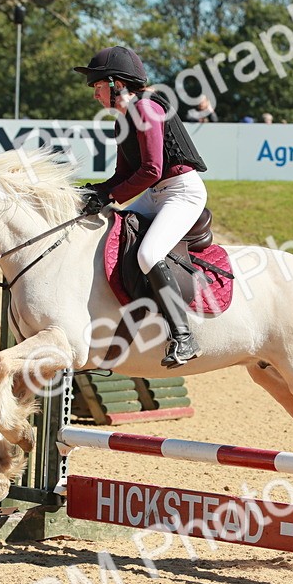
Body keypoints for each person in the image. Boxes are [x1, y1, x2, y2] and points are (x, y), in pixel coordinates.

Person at [76, 46, 209, 367]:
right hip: (157, 192)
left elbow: (151, 169)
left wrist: (110, 196)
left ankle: (184, 337)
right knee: (111, 228)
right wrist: (93, 192)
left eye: (97, 86)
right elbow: (123, 175)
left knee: (148, 253)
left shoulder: (147, 108)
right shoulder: (122, 120)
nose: (95, 95)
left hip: (182, 192)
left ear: (116, 83)